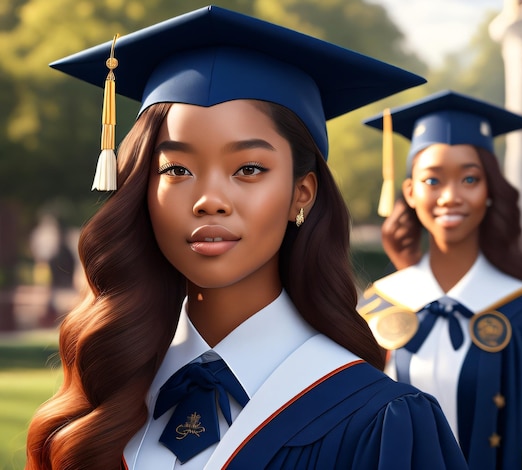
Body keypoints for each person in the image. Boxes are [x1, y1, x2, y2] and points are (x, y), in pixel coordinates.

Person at [25, 7, 469, 470]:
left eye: (249, 169)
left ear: (302, 193)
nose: (209, 200)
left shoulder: (380, 421)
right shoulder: (104, 400)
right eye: (177, 169)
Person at [357, 90, 522, 470]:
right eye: (433, 180)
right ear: (409, 192)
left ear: (490, 191)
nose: (451, 196)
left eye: (469, 179)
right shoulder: (376, 307)